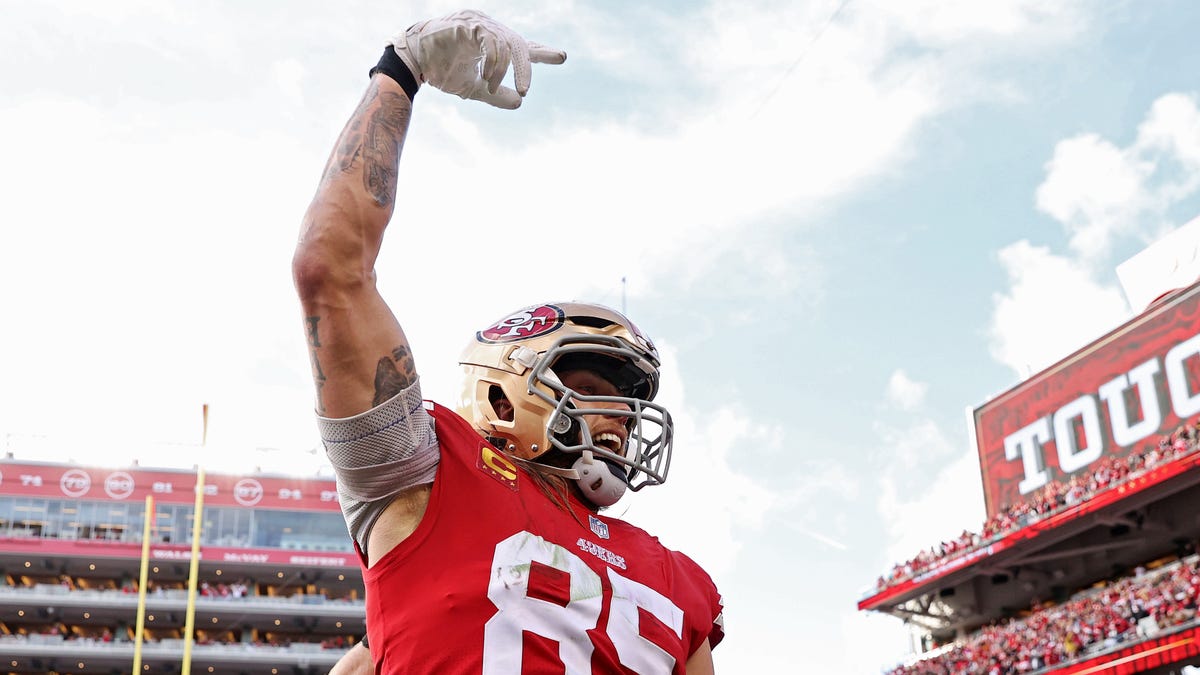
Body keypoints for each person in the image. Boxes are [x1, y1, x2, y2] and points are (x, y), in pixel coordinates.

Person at [293, 10, 724, 674]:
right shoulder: (433, 477)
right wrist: (401, 72)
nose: (619, 418)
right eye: (592, 390)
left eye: (627, 401)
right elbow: (330, 269)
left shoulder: (682, 582)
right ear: (501, 390)